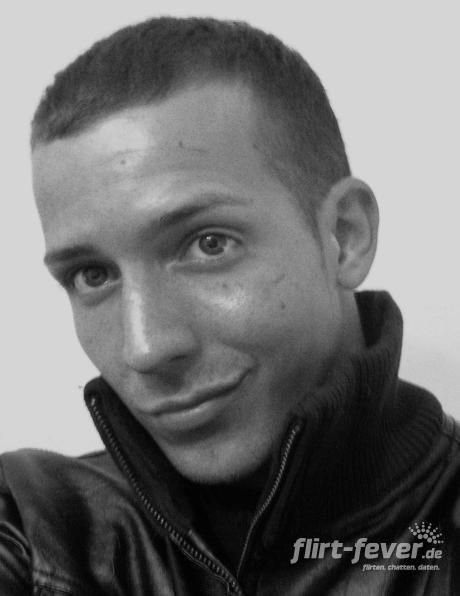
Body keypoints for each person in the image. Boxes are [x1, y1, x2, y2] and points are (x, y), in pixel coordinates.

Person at [1, 15, 459, 595]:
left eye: (207, 244)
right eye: (93, 276)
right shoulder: (30, 523)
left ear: (345, 236)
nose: (145, 347)